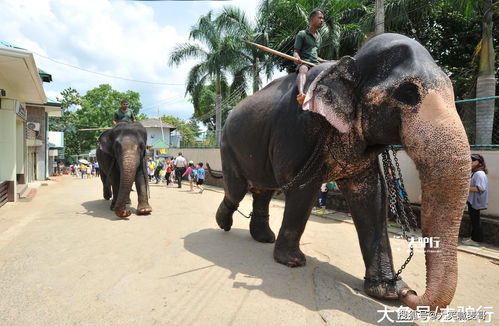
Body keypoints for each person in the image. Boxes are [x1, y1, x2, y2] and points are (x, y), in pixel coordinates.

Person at [293, 10, 333, 105]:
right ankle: (301, 94)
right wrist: (297, 58)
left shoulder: (319, 37)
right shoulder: (302, 34)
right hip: (305, 62)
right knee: (303, 69)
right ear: (312, 19)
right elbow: (296, 51)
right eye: (319, 18)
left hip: (316, 64)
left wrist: (326, 61)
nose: (322, 20)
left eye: (323, 18)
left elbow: (315, 55)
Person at [462, 154, 489, 246]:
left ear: (479, 162)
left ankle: (476, 240)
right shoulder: (475, 172)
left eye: (473, 160)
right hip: (473, 200)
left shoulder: (479, 173)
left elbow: (480, 188)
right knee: (474, 220)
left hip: (476, 201)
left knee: (475, 220)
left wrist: (466, 188)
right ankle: (473, 238)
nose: (471, 162)